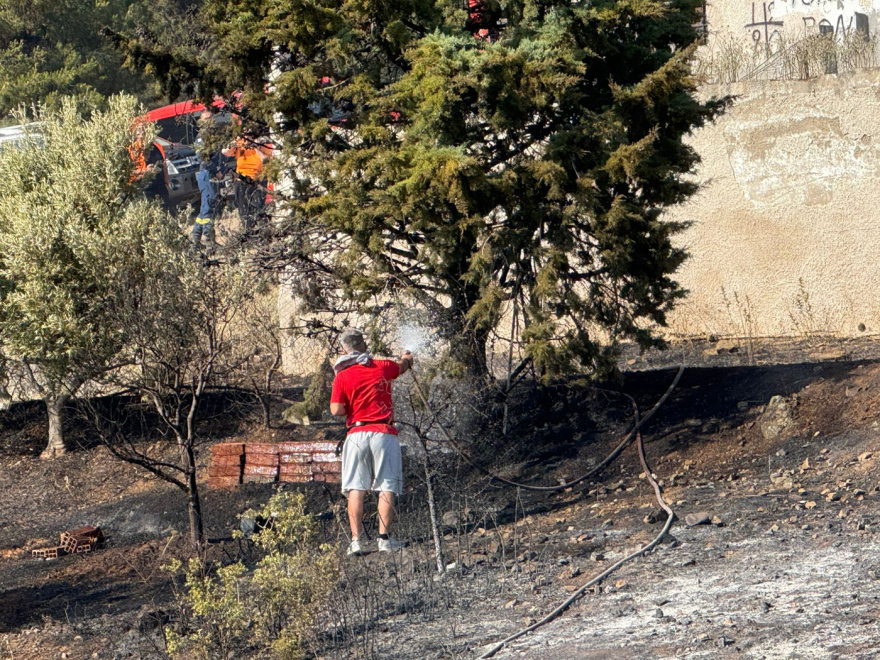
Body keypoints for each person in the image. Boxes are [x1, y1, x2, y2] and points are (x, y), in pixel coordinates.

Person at [330, 328, 413, 555]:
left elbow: (336, 409)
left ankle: (356, 542)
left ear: (344, 349)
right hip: (384, 433)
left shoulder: (342, 376)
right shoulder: (382, 366)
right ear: (364, 345)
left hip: (356, 434)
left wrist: (352, 406)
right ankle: (384, 540)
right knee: (386, 486)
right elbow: (402, 367)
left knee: (356, 488)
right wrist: (406, 357)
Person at [221, 135, 269, 232]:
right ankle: (249, 233)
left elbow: (266, 160)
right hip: (242, 180)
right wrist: (234, 142)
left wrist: (256, 146)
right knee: (244, 210)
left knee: (258, 207)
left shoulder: (261, 141)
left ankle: (262, 233)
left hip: (258, 180)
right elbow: (225, 152)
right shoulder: (240, 142)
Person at [191, 160, 221, 252]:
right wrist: (216, 171)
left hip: (204, 175)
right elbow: (206, 158)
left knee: (204, 210)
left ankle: (195, 241)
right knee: (209, 208)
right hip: (208, 175)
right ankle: (210, 243)